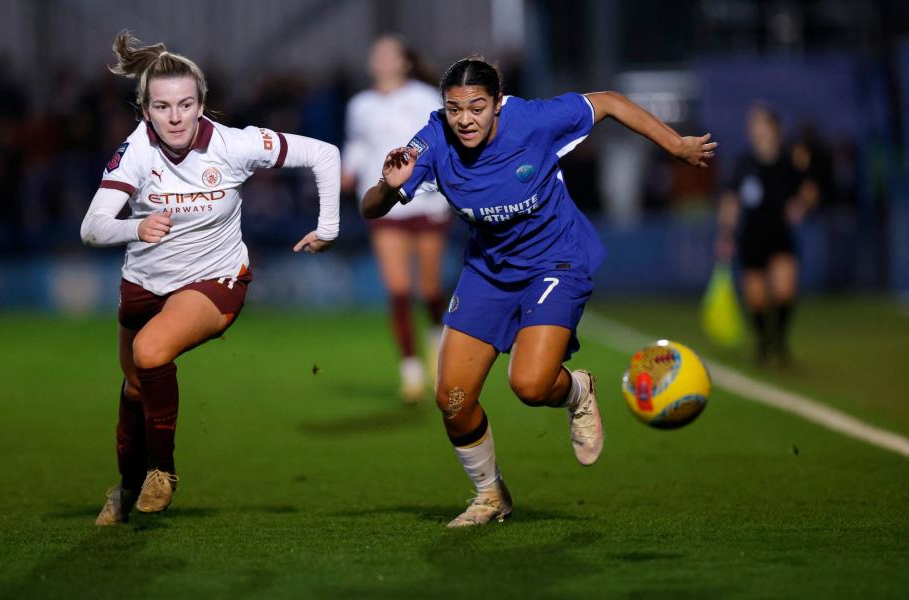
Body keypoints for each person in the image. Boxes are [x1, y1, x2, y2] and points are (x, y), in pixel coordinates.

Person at [361, 57, 715, 527]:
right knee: (452, 400)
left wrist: (676, 144)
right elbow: (370, 208)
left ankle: (578, 392)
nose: (464, 119)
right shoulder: (431, 142)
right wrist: (388, 187)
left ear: (498, 105)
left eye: (477, 107)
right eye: (454, 109)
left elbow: (608, 102)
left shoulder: (533, 120)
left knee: (530, 384)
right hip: (488, 271)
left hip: (556, 261)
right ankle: (491, 496)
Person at [81, 32, 340, 525]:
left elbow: (323, 154)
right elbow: (92, 228)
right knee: (136, 388)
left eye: (185, 104)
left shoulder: (235, 145)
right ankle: (128, 488)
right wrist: (136, 226)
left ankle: (164, 472)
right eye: (162, 106)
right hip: (142, 284)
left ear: (202, 104)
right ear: (145, 110)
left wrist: (328, 227)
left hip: (214, 280)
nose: (175, 116)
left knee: (150, 352)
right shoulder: (134, 152)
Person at [342, 34, 452, 402]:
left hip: (427, 201)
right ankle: (411, 371)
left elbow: (442, 140)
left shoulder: (423, 97)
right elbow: (358, 144)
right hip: (385, 202)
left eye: (391, 55)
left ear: (405, 62)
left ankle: (437, 347)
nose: (384, 60)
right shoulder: (361, 104)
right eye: (379, 55)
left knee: (431, 290)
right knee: (399, 291)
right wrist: (348, 169)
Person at [716, 103, 817, 365]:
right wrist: (726, 234)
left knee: (785, 291)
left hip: (780, 234)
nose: (755, 129)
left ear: (775, 129)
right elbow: (731, 200)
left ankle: (780, 344)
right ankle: (763, 345)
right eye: (753, 124)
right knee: (757, 300)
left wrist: (801, 205)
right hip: (751, 237)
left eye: (760, 123)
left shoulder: (790, 160)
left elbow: (809, 189)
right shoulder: (744, 163)